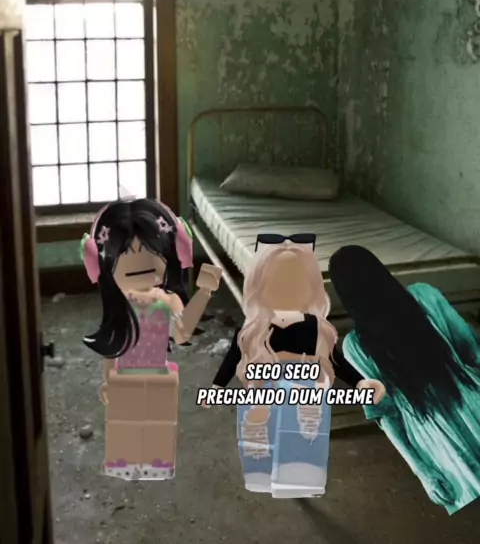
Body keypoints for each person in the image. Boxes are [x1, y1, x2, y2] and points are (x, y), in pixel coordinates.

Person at [205, 233, 385, 498]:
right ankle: (261, 440)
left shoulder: (314, 327)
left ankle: (301, 454)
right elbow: (235, 354)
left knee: (301, 424)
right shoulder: (254, 328)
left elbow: (333, 358)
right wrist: (217, 385)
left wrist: (359, 381)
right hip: (266, 383)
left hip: (302, 382)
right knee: (262, 417)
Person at [329, 244, 480, 514]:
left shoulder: (355, 347)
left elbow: (385, 414)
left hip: (436, 435)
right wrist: (422, 472)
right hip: (468, 403)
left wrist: (422, 470)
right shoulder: (425, 295)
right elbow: (471, 350)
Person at [81, 197, 221, 480]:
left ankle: (156, 466)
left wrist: (204, 294)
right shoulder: (120, 305)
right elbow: (114, 346)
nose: (139, 261)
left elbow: (182, 333)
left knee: (158, 425)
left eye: (149, 250)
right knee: (124, 426)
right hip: (124, 378)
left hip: (158, 376)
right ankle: (125, 464)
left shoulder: (168, 301)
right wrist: (108, 379)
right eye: (125, 253)